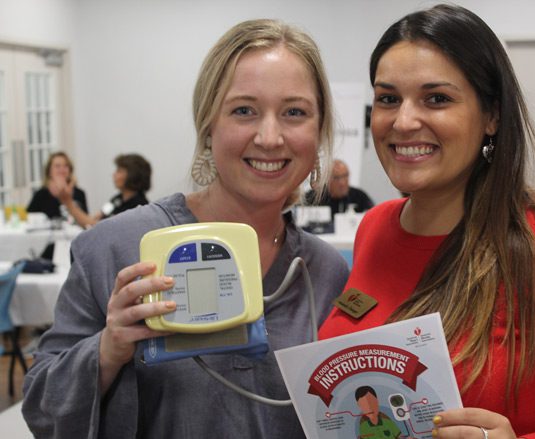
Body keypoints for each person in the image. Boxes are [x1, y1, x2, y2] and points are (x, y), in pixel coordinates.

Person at [319, 4, 535, 438]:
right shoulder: (375, 228)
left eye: (437, 99)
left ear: (492, 116)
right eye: (388, 99)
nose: (404, 121)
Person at [22, 19, 349, 438]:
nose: (270, 137)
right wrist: (107, 350)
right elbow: (41, 409)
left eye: (295, 112)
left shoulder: (324, 273)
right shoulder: (114, 250)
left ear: (318, 130)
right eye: (244, 110)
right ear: (208, 124)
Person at [57, 153, 152, 228]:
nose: (114, 174)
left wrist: (68, 203)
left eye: (119, 171)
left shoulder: (138, 206)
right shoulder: (117, 199)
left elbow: (97, 227)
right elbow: (94, 219)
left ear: (133, 175)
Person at [27, 151, 88, 220]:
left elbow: (87, 224)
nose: (62, 170)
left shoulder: (80, 193)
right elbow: (28, 219)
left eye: (66, 166)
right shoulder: (40, 195)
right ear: (49, 171)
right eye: (57, 166)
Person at [305, 159, 374, 216]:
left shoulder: (359, 196)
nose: (342, 183)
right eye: (336, 178)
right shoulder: (315, 197)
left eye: (345, 176)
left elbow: (373, 216)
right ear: (327, 179)